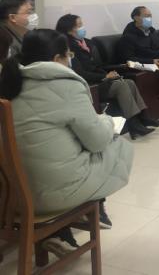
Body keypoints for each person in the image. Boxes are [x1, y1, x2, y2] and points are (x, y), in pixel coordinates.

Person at [0, 29, 133, 253]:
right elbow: (97, 141)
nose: (70, 59)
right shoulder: (64, 84)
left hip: (8, 195)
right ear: (57, 58)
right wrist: (107, 121)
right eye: (69, 54)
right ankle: (90, 211)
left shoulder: (10, 80)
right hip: (46, 196)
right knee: (116, 145)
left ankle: (60, 231)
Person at [56, 14, 159, 140]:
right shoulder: (68, 49)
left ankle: (144, 117)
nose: (83, 28)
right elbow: (80, 73)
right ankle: (133, 124)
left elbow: (100, 65)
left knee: (129, 82)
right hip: (90, 85)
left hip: (101, 80)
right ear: (69, 30)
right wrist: (105, 76)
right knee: (121, 85)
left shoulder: (87, 43)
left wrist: (118, 68)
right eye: (79, 25)